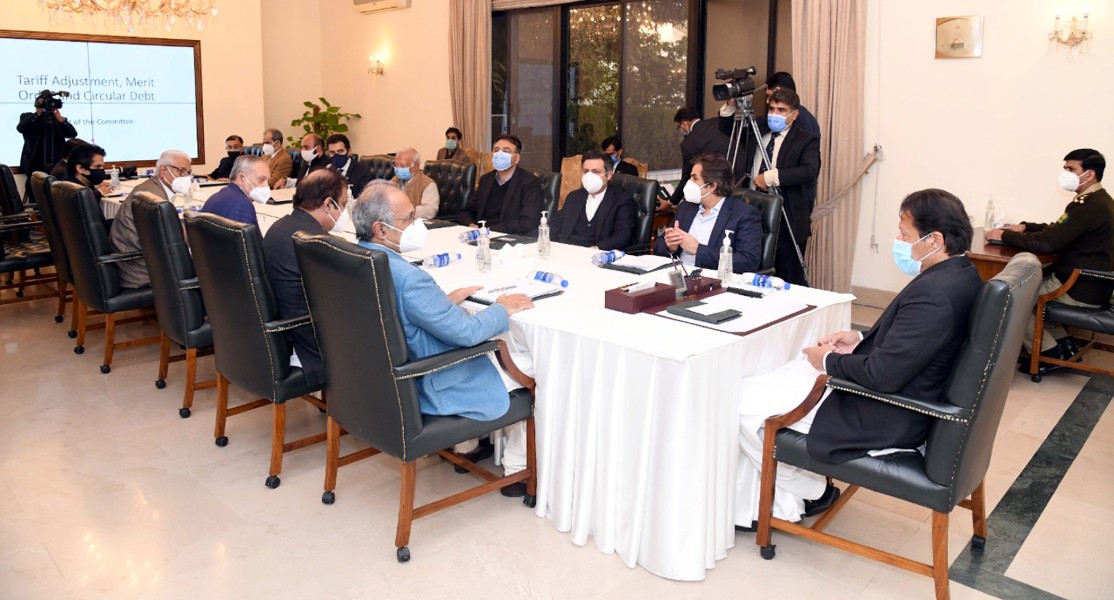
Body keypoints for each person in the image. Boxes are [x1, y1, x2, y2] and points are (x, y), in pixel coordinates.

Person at [732, 188, 982, 531]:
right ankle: (780, 496)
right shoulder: (961, 274)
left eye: (905, 233)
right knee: (775, 379)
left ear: (934, 239)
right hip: (905, 389)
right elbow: (918, 341)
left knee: (741, 403)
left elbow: (882, 376)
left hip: (887, 411)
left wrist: (827, 362)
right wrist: (861, 338)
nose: (898, 239)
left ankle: (809, 490)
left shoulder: (936, 294)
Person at [351, 180, 535, 494]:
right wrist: (502, 308)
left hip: (380, 382)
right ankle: (518, 470)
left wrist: (441, 303)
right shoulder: (410, 279)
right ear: (381, 230)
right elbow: (468, 333)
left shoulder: (356, 258)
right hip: (427, 382)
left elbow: (393, 316)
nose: (417, 224)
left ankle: (467, 446)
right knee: (528, 364)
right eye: (408, 219)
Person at [985, 149, 1113, 364]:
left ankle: (1048, 353)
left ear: (1089, 174)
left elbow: (1048, 242)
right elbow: (1059, 229)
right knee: (1032, 290)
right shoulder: (1100, 201)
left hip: (1078, 287)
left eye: (1071, 169)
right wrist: (1025, 227)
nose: (1065, 174)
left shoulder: (1088, 206)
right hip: (1093, 286)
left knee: (1009, 297)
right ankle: (1063, 346)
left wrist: (1005, 235)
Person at [262, 170, 350, 387]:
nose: (345, 212)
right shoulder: (317, 243)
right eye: (344, 204)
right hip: (305, 344)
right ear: (328, 204)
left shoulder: (280, 226)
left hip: (274, 334)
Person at [741, 88, 821, 287]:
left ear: (794, 114)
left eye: (782, 110)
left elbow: (809, 170)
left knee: (787, 277)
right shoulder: (758, 130)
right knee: (750, 272)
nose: (774, 114)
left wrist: (771, 176)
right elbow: (727, 130)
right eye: (772, 109)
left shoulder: (806, 140)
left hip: (787, 218)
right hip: (751, 212)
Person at [653, 154, 761, 273]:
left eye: (694, 178)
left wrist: (698, 250)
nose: (689, 183)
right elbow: (658, 244)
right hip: (677, 275)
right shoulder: (686, 207)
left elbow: (749, 262)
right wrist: (670, 246)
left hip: (711, 281)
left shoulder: (744, 214)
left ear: (712, 186)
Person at [109, 150, 192, 289]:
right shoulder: (154, 199)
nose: (185, 177)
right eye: (181, 171)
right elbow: (168, 242)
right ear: (163, 170)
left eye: (188, 172)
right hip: (140, 270)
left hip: (134, 262)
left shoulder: (150, 188)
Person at [549, 150, 637, 251]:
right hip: (567, 253)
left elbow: (623, 236)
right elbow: (555, 225)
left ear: (608, 175)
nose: (589, 176)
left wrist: (596, 249)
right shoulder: (574, 197)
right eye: (586, 171)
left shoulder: (622, 200)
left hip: (598, 257)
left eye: (596, 172)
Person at [457, 134, 542, 235]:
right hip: (480, 236)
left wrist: (489, 231)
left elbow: (527, 222)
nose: (499, 154)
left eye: (506, 151)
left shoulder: (529, 182)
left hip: (507, 238)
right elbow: (467, 211)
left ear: (516, 159)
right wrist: (471, 224)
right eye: (496, 150)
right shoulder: (486, 180)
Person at [667, 105, 729, 206]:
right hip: (742, 178)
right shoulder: (718, 122)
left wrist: (671, 202)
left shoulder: (688, 144)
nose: (681, 130)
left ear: (685, 124)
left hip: (718, 187)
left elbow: (686, 178)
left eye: (679, 127)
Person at [18, 90, 78, 176]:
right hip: (35, 164)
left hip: (56, 164)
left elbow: (72, 134)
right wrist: (37, 114)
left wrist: (61, 120)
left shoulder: (58, 120)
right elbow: (21, 128)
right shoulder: (28, 117)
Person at [200, 155, 270, 227]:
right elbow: (252, 238)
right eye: (261, 179)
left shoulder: (217, 196)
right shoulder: (243, 205)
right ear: (241, 178)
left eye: (268, 180)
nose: (266, 186)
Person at [763, 72, 821, 139]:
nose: (767, 101)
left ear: (777, 91)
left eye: (769, 95)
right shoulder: (805, 115)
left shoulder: (795, 121)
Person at [389, 146, 439, 220]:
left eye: (403, 166)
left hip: (416, 225)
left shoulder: (428, 184)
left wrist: (405, 210)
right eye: (396, 165)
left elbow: (430, 211)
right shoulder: (395, 180)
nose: (398, 169)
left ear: (416, 166)